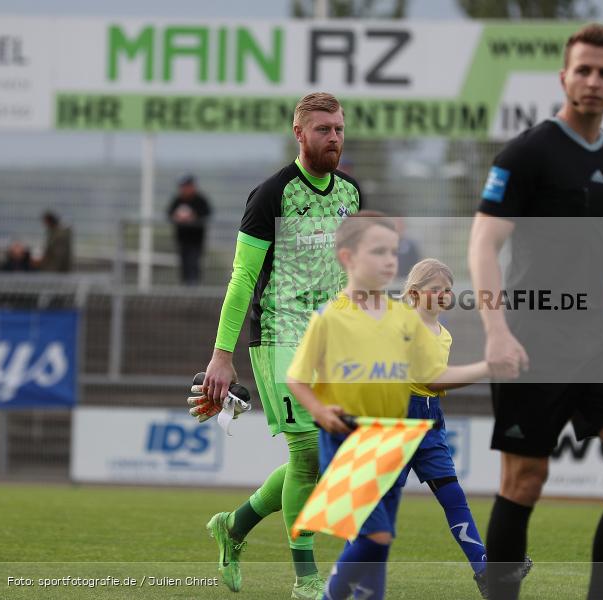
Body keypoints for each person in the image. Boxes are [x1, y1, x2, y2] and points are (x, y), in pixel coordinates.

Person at [468, 24, 603, 600]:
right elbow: (482, 244)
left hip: (600, 340)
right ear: (563, 76)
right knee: (525, 480)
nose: (593, 81)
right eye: (583, 70)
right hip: (532, 334)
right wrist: (496, 332)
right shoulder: (528, 153)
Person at [191, 93, 362, 599]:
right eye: (323, 129)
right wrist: (222, 355)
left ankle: (234, 526)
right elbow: (243, 278)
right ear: (300, 135)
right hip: (280, 336)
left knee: (320, 458)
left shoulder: (351, 194)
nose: (334, 137)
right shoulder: (272, 194)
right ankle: (306, 582)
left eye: (339, 129)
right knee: (307, 449)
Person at [286, 212, 508, 600]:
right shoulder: (347, 318)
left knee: (386, 533)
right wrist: (323, 409)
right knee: (374, 534)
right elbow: (301, 376)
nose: (390, 259)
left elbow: (432, 378)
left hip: (420, 425)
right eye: (379, 251)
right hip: (368, 429)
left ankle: (484, 569)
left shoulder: (412, 326)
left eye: (393, 252)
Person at [397, 258, 532, 598]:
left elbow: (432, 382)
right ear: (414, 293)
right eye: (435, 289)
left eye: (447, 289)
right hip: (396, 422)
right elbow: (427, 378)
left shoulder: (444, 333)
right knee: (380, 506)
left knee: (453, 496)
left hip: (430, 421)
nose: (444, 295)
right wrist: (487, 368)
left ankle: (485, 570)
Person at [167, 173, 211, 285]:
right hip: (182, 239)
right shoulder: (178, 200)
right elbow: (169, 213)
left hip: (196, 240)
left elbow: (207, 213)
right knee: (184, 263)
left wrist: (193, 217)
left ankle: (194, 287)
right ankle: (185, 286)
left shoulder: (200, 200)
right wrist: (177, 217)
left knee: (194, 263)